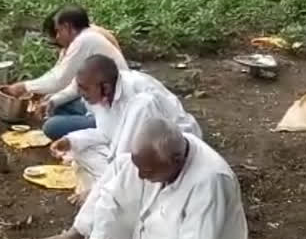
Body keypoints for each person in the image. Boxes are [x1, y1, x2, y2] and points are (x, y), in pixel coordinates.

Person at [20, 117, 250, 239]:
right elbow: (110, 197)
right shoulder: (160, 156)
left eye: (147, 172)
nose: (140, 176)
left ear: (177, 161)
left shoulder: (210, 182)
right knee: (119, 169)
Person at [49, 54, 201, 189]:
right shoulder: (101, 96)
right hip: (131, 151)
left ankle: (111, 186)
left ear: (106, 87)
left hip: (167, 150)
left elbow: (131, 147)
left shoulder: (140, 96)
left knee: (121, 172)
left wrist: (100, 189)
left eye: (85, 89)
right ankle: (113, 183)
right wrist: (71, 140)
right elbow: (106, 134)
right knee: (80, 150)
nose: (81, 95)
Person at [3, 6, 128, 140]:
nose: (57, 37)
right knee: (54, 107)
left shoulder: (84, 41)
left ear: (67, 27)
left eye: (58, 31)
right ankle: (84, 123)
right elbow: (76, 86)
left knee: (51, 127)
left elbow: (59, 80)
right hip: (100, 103)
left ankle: (99, 129)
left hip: (113, 113)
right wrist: (52, 101)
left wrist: (23, 87)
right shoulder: (88, 38)